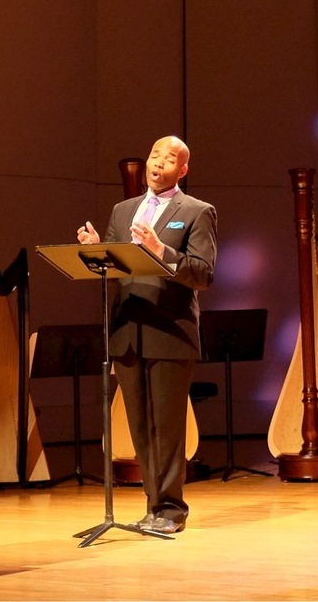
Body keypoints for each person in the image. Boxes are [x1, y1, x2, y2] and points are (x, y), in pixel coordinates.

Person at [77, 136, 217, 535]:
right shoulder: (123, 211)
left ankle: (171, 510)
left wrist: (162, 252)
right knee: (140, 426)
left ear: (182, 170)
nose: (158, 163)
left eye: (169, 159)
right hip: (127, 332)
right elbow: (116, 267)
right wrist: (96, 252)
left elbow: (203, 274)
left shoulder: (196, 211)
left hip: (170, 331)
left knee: (167, 428)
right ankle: (152, 507)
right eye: (155, 155)